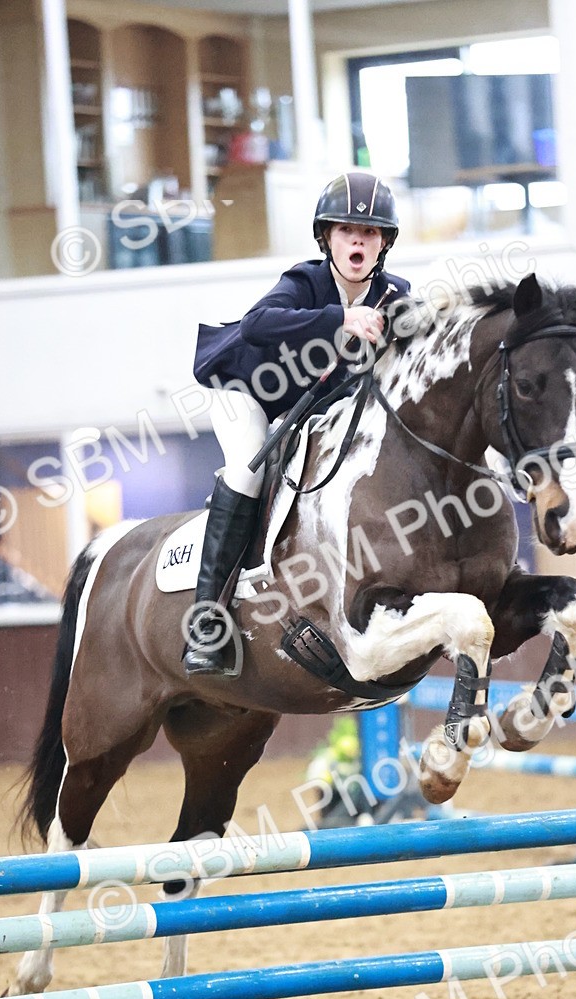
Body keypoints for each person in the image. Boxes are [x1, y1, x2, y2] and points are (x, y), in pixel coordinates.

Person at [185, 172, 410, 676]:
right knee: (246, 470)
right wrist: (338, 319)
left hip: (315, 409)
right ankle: (205, 624)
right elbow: (256, 325)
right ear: (326, 238)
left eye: (370, 232)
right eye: (346, 229)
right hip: (248, 393)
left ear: (384, 243)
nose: (358, 239)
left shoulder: (395, 293)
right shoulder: (304, 281)